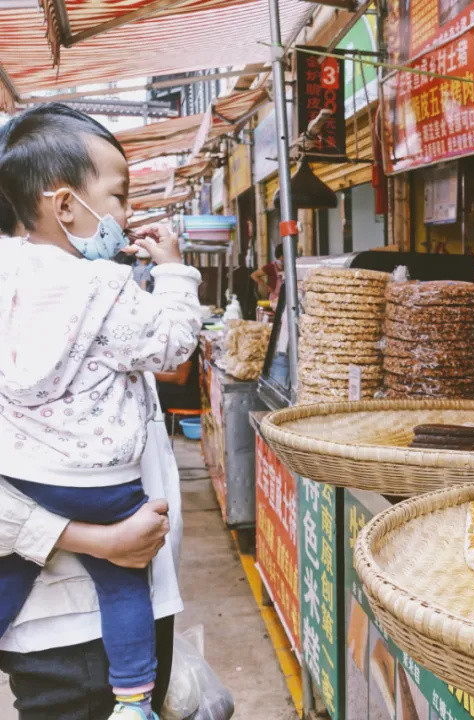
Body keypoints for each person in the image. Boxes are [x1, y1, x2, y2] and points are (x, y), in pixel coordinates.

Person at [0, 103, 201, 720]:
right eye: (118, 196)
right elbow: (173, 347)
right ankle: (133, 700)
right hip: (73, 638)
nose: (124, 213)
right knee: (124, 588)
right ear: (64, 206)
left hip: (33, 488)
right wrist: (173, 274)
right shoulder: (107, 288)